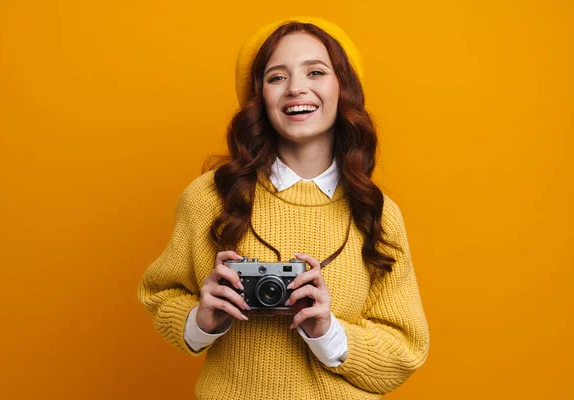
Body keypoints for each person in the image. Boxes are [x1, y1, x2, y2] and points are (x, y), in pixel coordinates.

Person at [137, 16, 429, 399]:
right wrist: (201, 321)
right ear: (260, 98)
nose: (296, 88)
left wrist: (327, 331)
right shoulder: (211, 196)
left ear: (344, 89)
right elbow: (161, 293)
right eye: (277, 77)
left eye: (316, 72)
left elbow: (405, 351)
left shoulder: (377, 212)